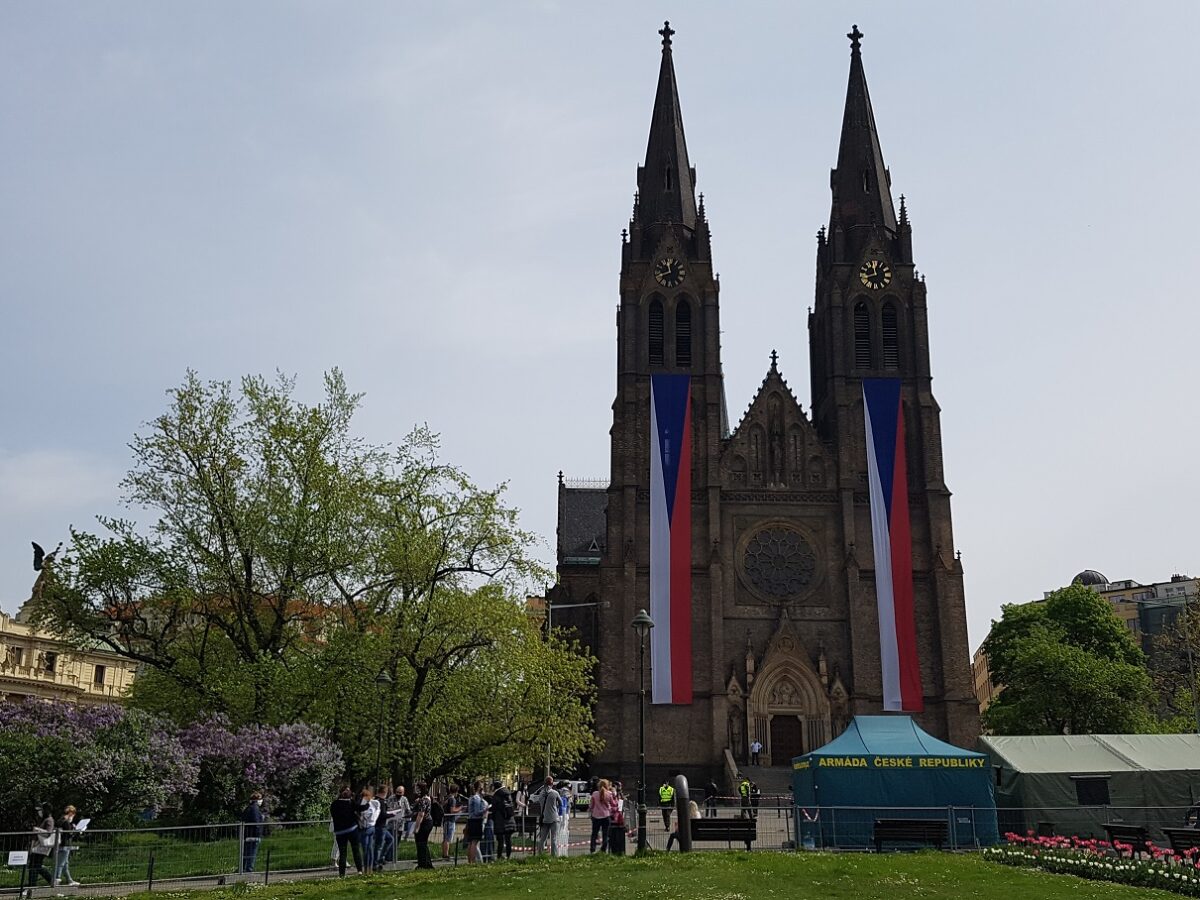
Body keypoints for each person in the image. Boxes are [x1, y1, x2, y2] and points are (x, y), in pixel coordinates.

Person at [330, 786, 366, 877]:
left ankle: (342, 874)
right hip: (351, 830)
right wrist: (367, 802)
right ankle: (359, 871)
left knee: (343, 853)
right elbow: (361, 808)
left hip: (339, 832)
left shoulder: (334, 804)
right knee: (356, 850)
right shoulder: (350, 803)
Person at [26, 805, 55, 893]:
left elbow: (48, 833)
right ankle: (50, 880)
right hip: (37, 846)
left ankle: (32, 886)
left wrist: (38, 830)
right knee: (35, 866)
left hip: (42, 847)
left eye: (41, 810)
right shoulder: (42, 819)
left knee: (35, 866)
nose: (40, 812)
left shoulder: (49, 820)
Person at [54, 805, 82, 887]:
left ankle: (69, 880)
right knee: (61, 864)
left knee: (65, 863)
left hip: (59, 844)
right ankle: (56, 879)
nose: (73, 816)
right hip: (65, 845)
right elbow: (69, 834)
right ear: (70, 813)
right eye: (73, 814)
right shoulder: (66, 822)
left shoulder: (60, 820)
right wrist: (76, 831)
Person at [532, 776, 561, 856]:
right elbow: (561, 803)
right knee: (554, 839)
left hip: (544, 819)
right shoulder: (555, 793)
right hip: (554, 819)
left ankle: (540, 855)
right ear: (552, 784)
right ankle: (554, 856)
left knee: (542, 839)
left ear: (544, 784)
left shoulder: (541, 794)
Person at [412, 782, 435, 870]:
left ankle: (422, 864)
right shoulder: (427, 798)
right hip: (429, 822)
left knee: (420, 843)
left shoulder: (423, 800)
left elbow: (421, 814)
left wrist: (416, 828)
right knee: (424, 843)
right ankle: (427, 863)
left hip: (424, 823)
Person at [490, 781, 515, 860]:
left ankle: (499, 856)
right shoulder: (508, 794)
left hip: (500, 821)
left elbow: (494, 808)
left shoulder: (497, 795)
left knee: (500, 840)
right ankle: (508, 856)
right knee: (508, 840)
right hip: (510, 819)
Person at [241, 792, 265, 873]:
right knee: (252, 854)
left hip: (247, 834)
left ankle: (243, 869)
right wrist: (259, 833)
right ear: (257, 799)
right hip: (254, 835)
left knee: (246, 853)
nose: (261, 801)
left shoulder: (248, 808)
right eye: (260, 799)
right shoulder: (255, 808)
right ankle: (249, 870)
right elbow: (256, 822)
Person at [588, 778, 615, 853]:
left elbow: (591, 805)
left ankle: (592, 849)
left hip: (596, 816)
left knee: (594, 833)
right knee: (605, 834)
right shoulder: (609, 794)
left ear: (598, 786)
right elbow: (613, 804)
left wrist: (590, 810)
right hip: (606, 816)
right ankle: (603, 849)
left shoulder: (594, 794)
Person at [357, 787, 380, 872]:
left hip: (366, 828)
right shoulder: (374, 804)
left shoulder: (366, 805)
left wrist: (359, 816)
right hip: (372, 827)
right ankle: (370, 868)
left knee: (365, 849)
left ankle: (366, 869)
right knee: (370, 849)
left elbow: (365, 816)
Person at [465, 781, 487, 863]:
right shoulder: (476, 798)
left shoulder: (471, 797)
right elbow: (477, 812)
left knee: (471, 842)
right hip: (476, 821)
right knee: (474, 842)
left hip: (471, 820)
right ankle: (472, 860)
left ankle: (469, 860)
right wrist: (486, 809)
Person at [441, 783, 465, 860]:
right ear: (456, 791)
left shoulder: (447, 798)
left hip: (446, 820)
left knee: (445, 838)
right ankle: (446, 855)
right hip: (450, 821)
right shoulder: (452, 799)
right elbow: (452, 810)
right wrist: (460, 808)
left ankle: (445, 853)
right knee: (448, 838)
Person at [607, 786, 627, 856]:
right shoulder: (610, 799)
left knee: (618, 840)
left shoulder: (619, 799)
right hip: (613, 822)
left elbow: (620, 810)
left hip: (618, 822)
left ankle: (619, 852)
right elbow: (611, 809)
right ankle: (615, 852)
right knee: (613, 839)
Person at [555, 782, 571, 856]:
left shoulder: (560, 792)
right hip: (565, 813)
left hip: (560, 814)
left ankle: (559, 851)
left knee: (559, 833)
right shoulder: (566, 791)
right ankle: (562, 851)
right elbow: (568, 800)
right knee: (564, 831)